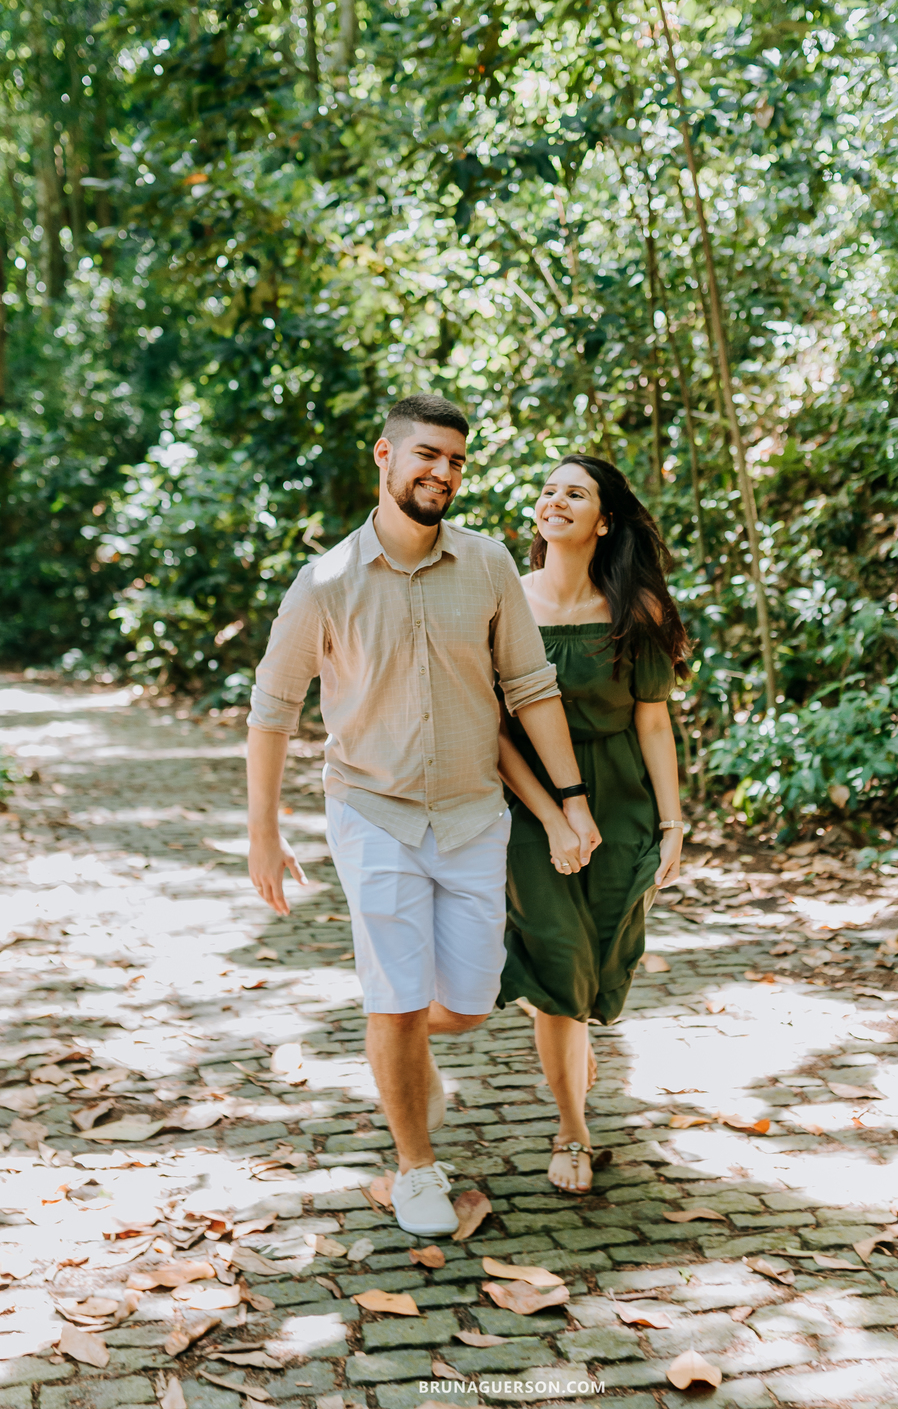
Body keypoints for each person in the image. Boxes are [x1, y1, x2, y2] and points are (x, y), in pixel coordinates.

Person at [245, 395, 599, 1238]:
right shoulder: (325, 583)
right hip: (374, 812)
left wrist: (571, 800)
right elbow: (273, 706)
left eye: (456, 461)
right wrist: (263, 829)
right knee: (398, 999)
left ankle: (396, 1043)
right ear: (385, 456)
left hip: (475, 814)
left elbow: (531, 687)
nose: (442, 472)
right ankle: (415, 1167)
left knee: (471, 1001)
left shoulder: (486, 566)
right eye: (427, 455)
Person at [497, 454, 689, 1195]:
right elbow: (495, 728)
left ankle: (568, 1035)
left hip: (623, 803)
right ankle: (572, 1131)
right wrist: (547, 815)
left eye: (574, 492)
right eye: (546, 489)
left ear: (604, 520)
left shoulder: (635, 609)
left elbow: (653, 723)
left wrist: (671, 824)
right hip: (529, 805)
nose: (555, 500)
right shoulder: (506, 602)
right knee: (559, 961)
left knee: (601, 959)